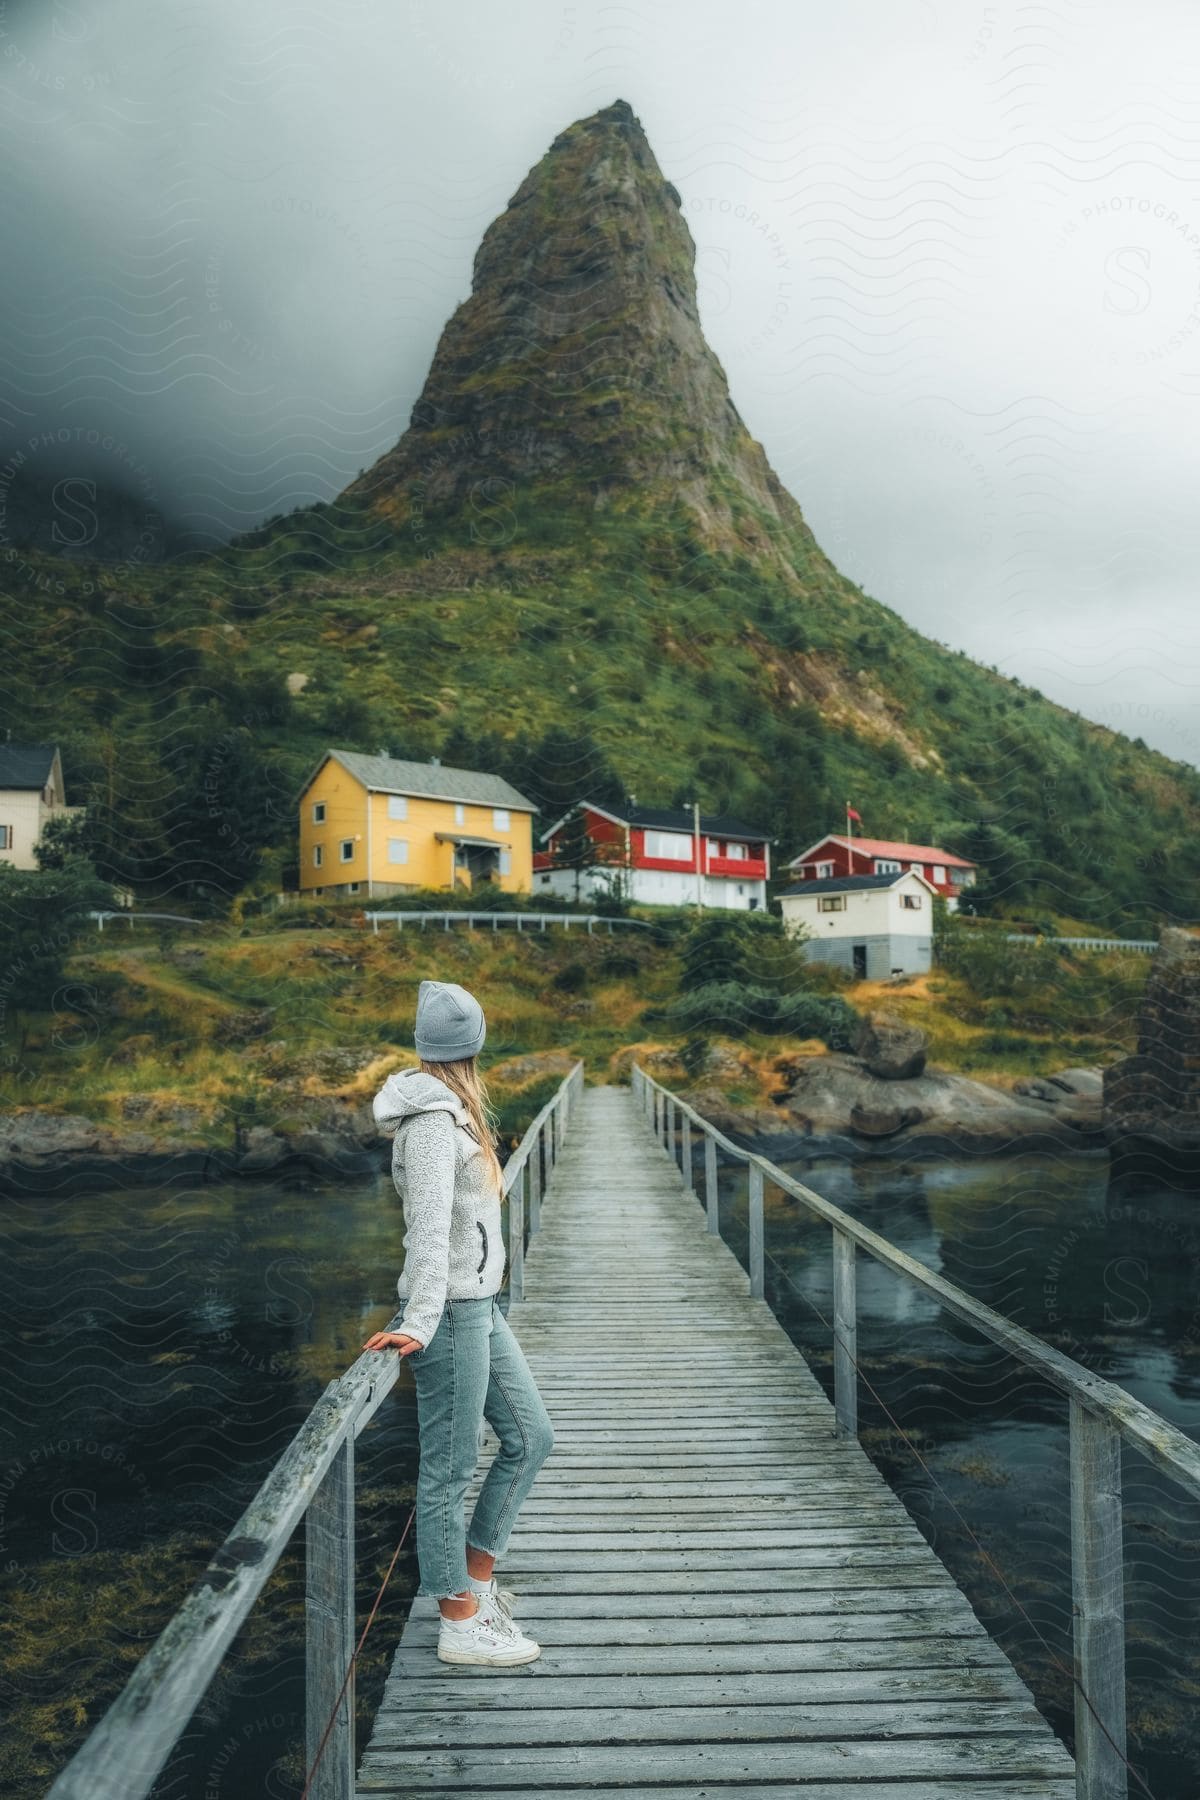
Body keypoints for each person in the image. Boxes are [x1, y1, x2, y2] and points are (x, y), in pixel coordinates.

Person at [362, 978, 554, 1666]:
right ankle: (458, 1620)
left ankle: (477, 1581)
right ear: (469, 1047)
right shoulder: (432, 1125)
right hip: (448, 1312)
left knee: (532, 1436)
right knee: (447, 1469)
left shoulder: (455, 1112)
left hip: (480, 1302)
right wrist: (418, 1319)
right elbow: (426, 1229)